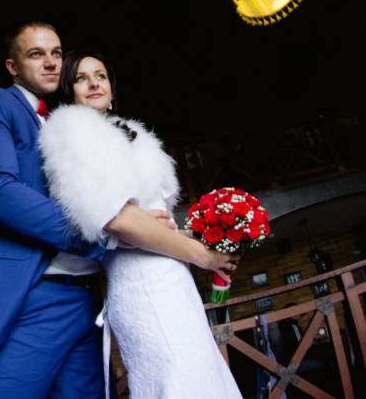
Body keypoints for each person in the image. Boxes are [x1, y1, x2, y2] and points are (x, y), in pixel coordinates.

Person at [40, 51, 244, 399]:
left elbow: (158, 219)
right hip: (140, 281)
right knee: (179, 381)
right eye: (81, 78)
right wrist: (203, 256)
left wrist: (202, 241)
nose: (94, 83)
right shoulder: (70, 133)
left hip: (174, 278)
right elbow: (115, 218)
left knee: (203, 375)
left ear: (112, 88)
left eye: (101, 76)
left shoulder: (133, 134)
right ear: (68, 92)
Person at [0, 22, 107, 398]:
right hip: (32, 296)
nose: (51, 62)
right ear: (12, 66)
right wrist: (94, 235)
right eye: (36, 54)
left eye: (56, 53)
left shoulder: (65, 120)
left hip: (88, 298)